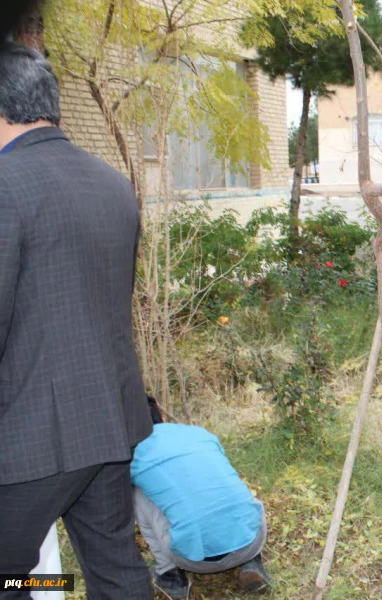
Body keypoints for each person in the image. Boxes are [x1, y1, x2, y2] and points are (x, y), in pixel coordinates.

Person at [0, 42, 153, 599]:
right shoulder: (111, 183)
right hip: (109, 421)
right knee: (115, 568)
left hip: (27, 441)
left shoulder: (6, 186)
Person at [131, 398, 270, 599]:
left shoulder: (132, 454)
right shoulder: (198, 433)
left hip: (192, 560)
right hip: (252, 542)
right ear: (161, 416)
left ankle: (169, 576)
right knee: (222, 482)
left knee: (137, 492)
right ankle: (251, 562)